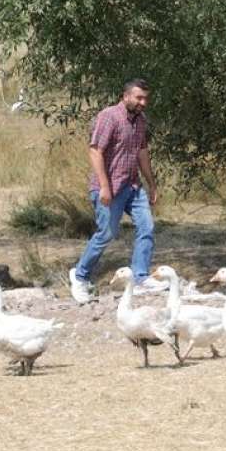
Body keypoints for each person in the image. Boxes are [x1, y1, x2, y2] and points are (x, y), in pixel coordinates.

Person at [69, 79, 168, 303]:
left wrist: (151, 183)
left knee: (147, 227)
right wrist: (104, 186)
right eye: (138, 97)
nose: (143, 102)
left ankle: (141, 277)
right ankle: (80, 276)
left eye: (145, 98)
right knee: (107, 234)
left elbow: (142, 152)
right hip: (110, 188)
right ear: (125, 96)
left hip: (133, 186)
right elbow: (95, 152)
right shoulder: (109, 117)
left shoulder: (141, 121)